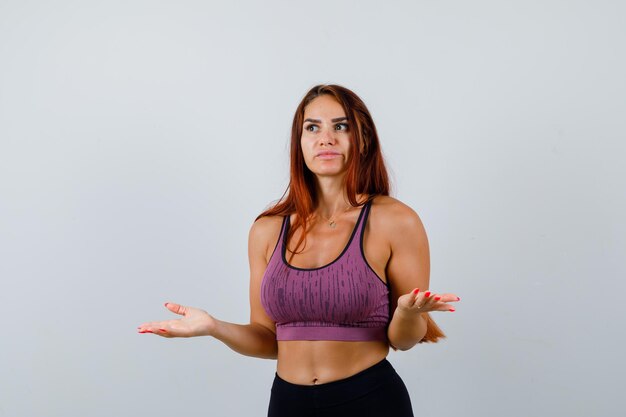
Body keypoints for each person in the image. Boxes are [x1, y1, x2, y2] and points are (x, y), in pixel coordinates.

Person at [137, 84, 460, 417]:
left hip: (369, 400)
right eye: (312, 127)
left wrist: (408, 313)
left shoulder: (395, 221)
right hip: (287, 404)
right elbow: (266, 338)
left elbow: (403, 340)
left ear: (362, 139)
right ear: (299, 143)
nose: (326, 138)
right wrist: (213, 327)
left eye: (341, 126)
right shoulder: (267, 229)